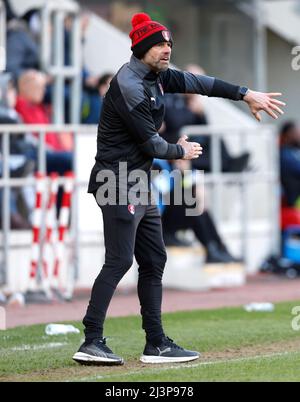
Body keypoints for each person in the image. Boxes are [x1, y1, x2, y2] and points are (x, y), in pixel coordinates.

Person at [73, 12, 285, 366]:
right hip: (116, 180)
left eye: (169, 44)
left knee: (154, 259)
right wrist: (181, 151)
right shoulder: (129, 84)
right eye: (159, 44)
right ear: (141, 48)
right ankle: (92, 339)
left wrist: (246, 93)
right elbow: (152, 145)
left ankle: (156, 343)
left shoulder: (156, 76)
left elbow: (201, 84)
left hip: (138, 181)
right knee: (121, 259)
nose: (167, 49)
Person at [279, 122, 300, 206]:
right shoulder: (284, 154)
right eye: (297, 132)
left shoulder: (295, 151)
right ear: (288, 134)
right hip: (294, 200)